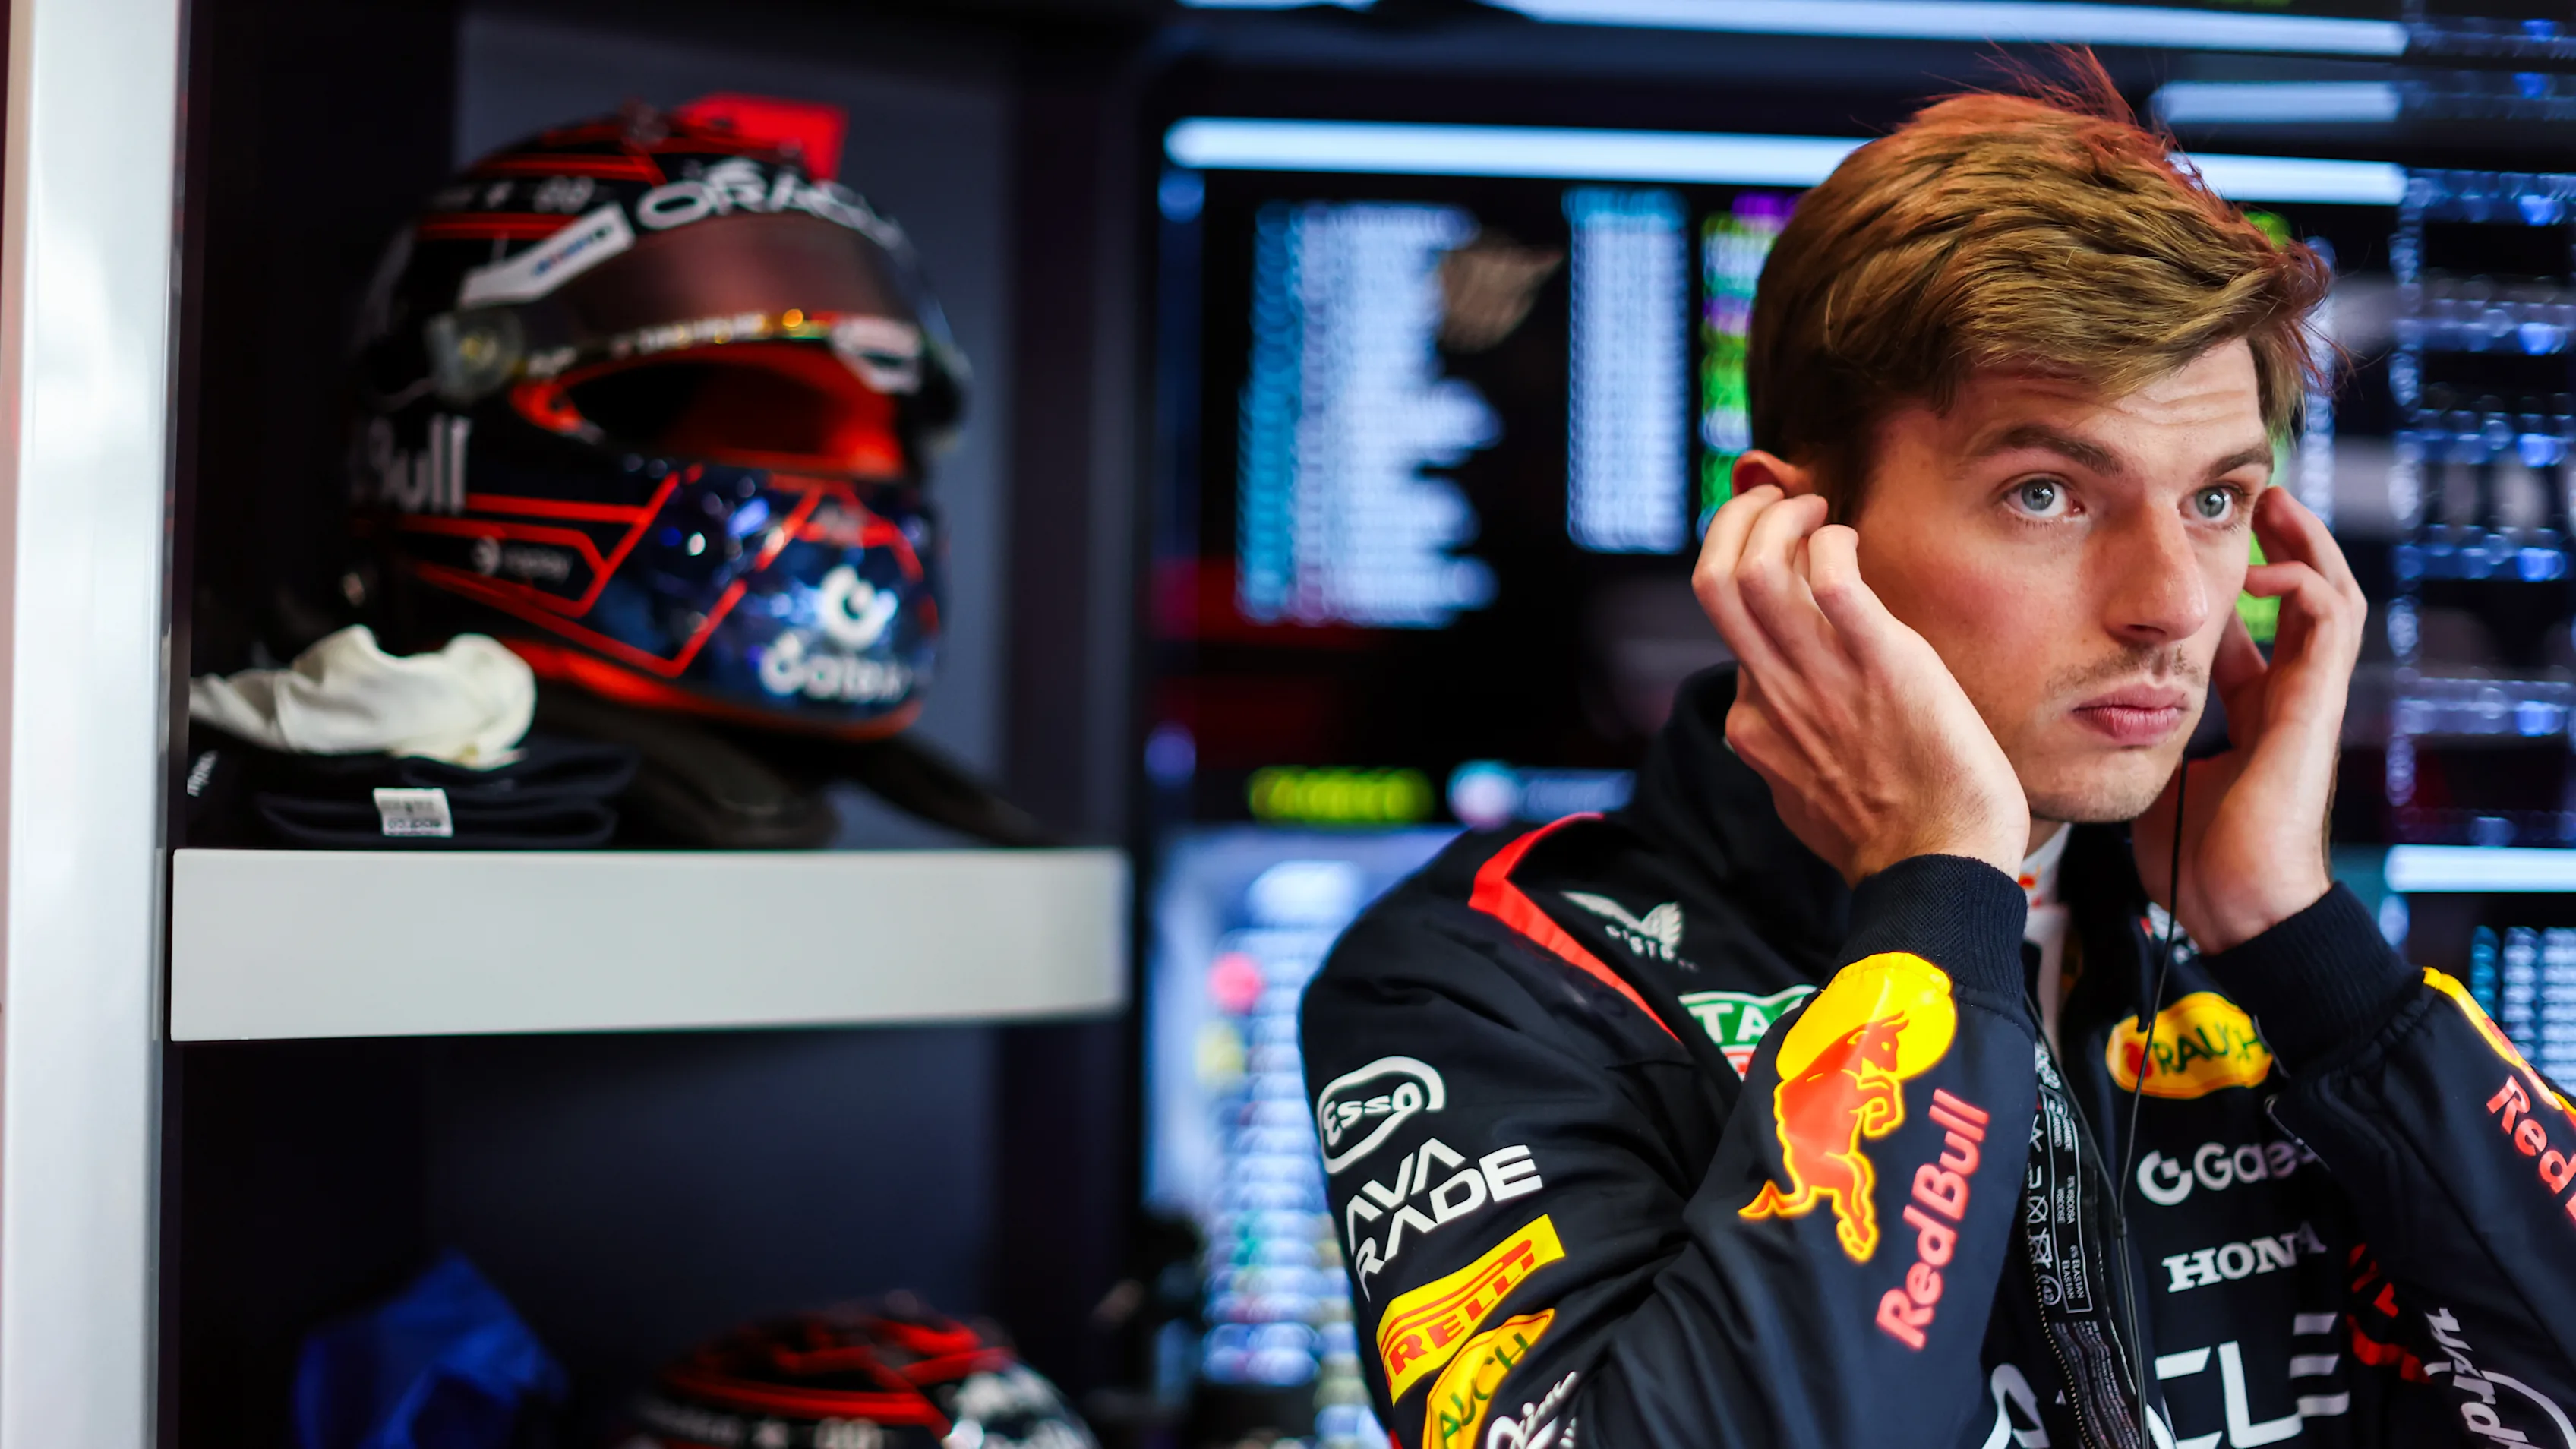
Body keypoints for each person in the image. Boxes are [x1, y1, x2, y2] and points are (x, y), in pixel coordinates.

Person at [1299, 62, 2576, 1449]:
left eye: (2216, 498)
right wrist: (1936, 903)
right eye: (2047, 493)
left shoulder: (2263, 954)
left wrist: (2307, 952)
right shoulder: (1482, 981)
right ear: (1798, 542)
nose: (2172, 605)